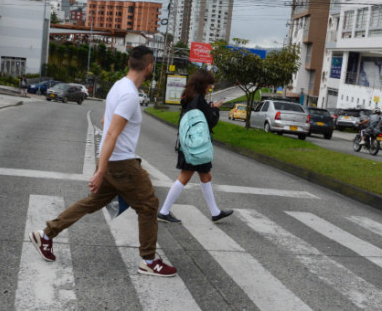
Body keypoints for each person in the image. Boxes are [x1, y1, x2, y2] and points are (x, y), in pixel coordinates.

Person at [29, 45, 177, 277]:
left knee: (92, 202)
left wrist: (102, 166)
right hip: (122, 163)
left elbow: (105, 120)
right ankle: (148, 261)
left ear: (130, 64)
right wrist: (100, 171)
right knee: (149, 206)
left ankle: (46, 234)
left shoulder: (119, 86)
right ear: (149, 67)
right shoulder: (129, 95)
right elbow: (110, 133)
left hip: (112, 161)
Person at [157, 69, 233, 224]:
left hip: (188, 143)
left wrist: (210, 107)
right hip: (197, 146)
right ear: (202, 84)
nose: (210, 87)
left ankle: (215, 212)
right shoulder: (199, 99)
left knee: (205, 176)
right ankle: (164, 211)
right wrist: (216, 108)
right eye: (209, 84)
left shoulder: (188, 97)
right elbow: (210, 121)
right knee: (185, 177)